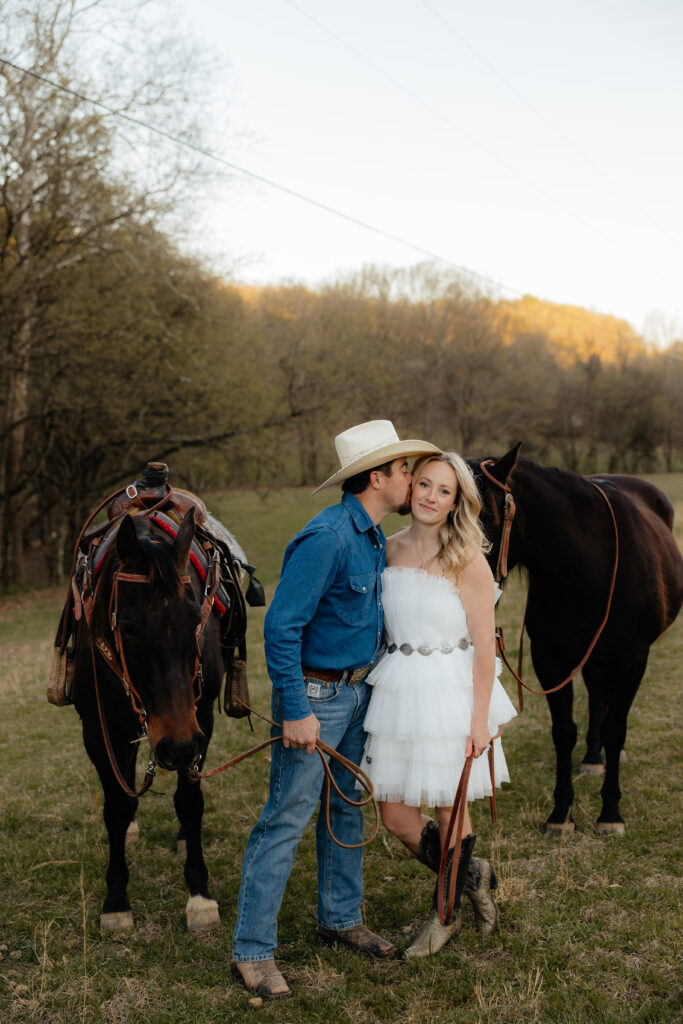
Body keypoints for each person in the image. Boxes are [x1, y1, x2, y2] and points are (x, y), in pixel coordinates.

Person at [231, 420, 441, 999]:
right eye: (403, 471)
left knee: (345, 809)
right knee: (285, 820)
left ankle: (341, 918)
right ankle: (252, 952)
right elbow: (281, 626)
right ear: (377, 477)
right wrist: (296, 707)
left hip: (357, 693)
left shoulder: (372, 535)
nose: (412, 480)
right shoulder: (327, 537)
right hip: (315, 698)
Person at [360, 451, 517, 957]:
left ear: (457, 502)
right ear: (411, 490)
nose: (429, 496)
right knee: (395, 814)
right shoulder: (389, 548)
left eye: (443, 490)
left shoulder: (467, 557)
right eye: (423, 484)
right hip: (401, 685)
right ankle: (473, 875)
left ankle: (444, 914)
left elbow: (485, 643)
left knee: (451, 812)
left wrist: (478, 720)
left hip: (451, 689)